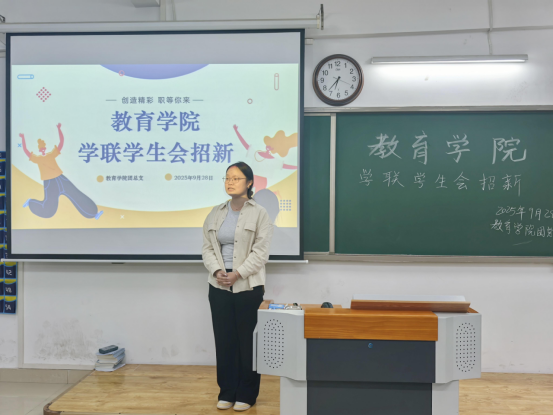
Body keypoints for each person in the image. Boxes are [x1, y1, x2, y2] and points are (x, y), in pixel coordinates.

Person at [202, 161, 274, 412]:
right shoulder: (216, 212)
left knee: (248, 342)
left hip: (248, 286)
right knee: (224, 341)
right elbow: (208, 248)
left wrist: (238, 273)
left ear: (249, 182)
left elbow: (261, 252)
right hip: (218, 285)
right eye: (227, 178)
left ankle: (247, 393)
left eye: (236, 178)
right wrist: (217, 271)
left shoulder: (260, 213)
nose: (230, 182)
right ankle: (227, 391)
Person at [19, 123, 103, 220]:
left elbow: (61, 143)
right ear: (39, 150)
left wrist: (59, 129)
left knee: (76, 194)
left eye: (44, 148)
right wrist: (23, 138)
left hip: (61, 178)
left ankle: (93, 213)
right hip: (50, 183)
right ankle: (31, 202)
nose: (43, 150)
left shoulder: (51, 154)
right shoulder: (37, 159)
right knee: (49, 209)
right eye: (41, 149)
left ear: (45, 148)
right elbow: (26, 151)